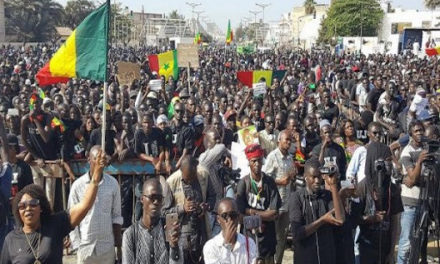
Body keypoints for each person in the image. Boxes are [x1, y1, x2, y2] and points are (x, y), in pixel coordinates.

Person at [0, 148, 106, 264]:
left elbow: (84, 205)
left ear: (41, 207)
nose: (28, 208)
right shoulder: (11, 240)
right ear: (17, 211)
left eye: (33, 204)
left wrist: (96, 176)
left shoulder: (55, 225)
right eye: (22, 206)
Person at [68, 146, 123, 264]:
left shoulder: (113, 184)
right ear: (89, 160)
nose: (100, 162)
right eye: (96, 158)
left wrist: (118, 247)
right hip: (85, 247)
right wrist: (77, 246)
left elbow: (116, 216)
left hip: (106, 248)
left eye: (103, 159)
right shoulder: (78, 186)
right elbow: (72, 218)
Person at [353, 142, 402, 264]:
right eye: (386, 161)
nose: (388, 164)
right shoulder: (362, 187)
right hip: (367, 246)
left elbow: (395, 222)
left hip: (385, 247)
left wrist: (391, 252)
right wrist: (370, 219)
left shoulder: (392, 188)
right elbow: (353, 220)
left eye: (389, 161)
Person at [289, 158, 345, 264]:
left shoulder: (327, 195)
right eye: (313, 177)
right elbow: (297, 233)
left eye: (319, 176)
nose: (317, 181)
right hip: (305, 258)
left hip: (326, 257)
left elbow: (340, 219)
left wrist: (333, 186)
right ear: (305, 177)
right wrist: (322, 220)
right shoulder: (297, 198)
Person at [165, 155, 216, 264]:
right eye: (187, 179)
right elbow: (163, 212)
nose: (190, 181)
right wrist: (182, 208)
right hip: (180, 238)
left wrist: (206, 206)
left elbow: (212, 196)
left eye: (193, 177)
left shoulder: (204, 175)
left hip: (201, 234)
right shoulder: (171, 182)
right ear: (181, 171)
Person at [236, 143, 281, 264]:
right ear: (249, 162)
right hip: (248, 236)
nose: (257, 164)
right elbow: (240, 216)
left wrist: (251, 212)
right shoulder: (243, 183)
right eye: (253, 161)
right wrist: (262, 217)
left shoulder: (269, 182)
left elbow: (274, 213)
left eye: (259, 160)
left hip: (267, 237)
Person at [122, 178, 182, 264]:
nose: (156, 202)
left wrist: (174, 247)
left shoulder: (170, 229)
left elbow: (179, 262)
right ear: (142, 199)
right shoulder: (130, 234)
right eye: (152, 197)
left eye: (159, 198)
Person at [397, 120, 428, 264]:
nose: (420, 133)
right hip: (409, 203)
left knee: (418, 241)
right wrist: (420, 162)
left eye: (421, 130)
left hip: (424, 201)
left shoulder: (428, 148)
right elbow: (413, 178)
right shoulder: (406, 152)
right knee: (406, 243)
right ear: (411, 133)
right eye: (416, 131)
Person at [262, 130, 296, 264]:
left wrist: (291, 178)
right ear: (279, 141)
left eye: (290, 140)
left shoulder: (290, 158)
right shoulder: (272, 156)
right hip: (275, 204)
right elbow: (265, 177)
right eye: (286, 140)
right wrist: (280, 181)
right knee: (274, 237)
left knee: (282, 237)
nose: (288, 142)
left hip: (286, 203)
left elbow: (290, 177)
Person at [203, 198, 257, 264]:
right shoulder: (211, 246)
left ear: (238, 217)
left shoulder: (249, 243)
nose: (229, 220)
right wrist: (227, 245)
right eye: (224, 216)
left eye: (233, 215)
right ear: (218, 219)